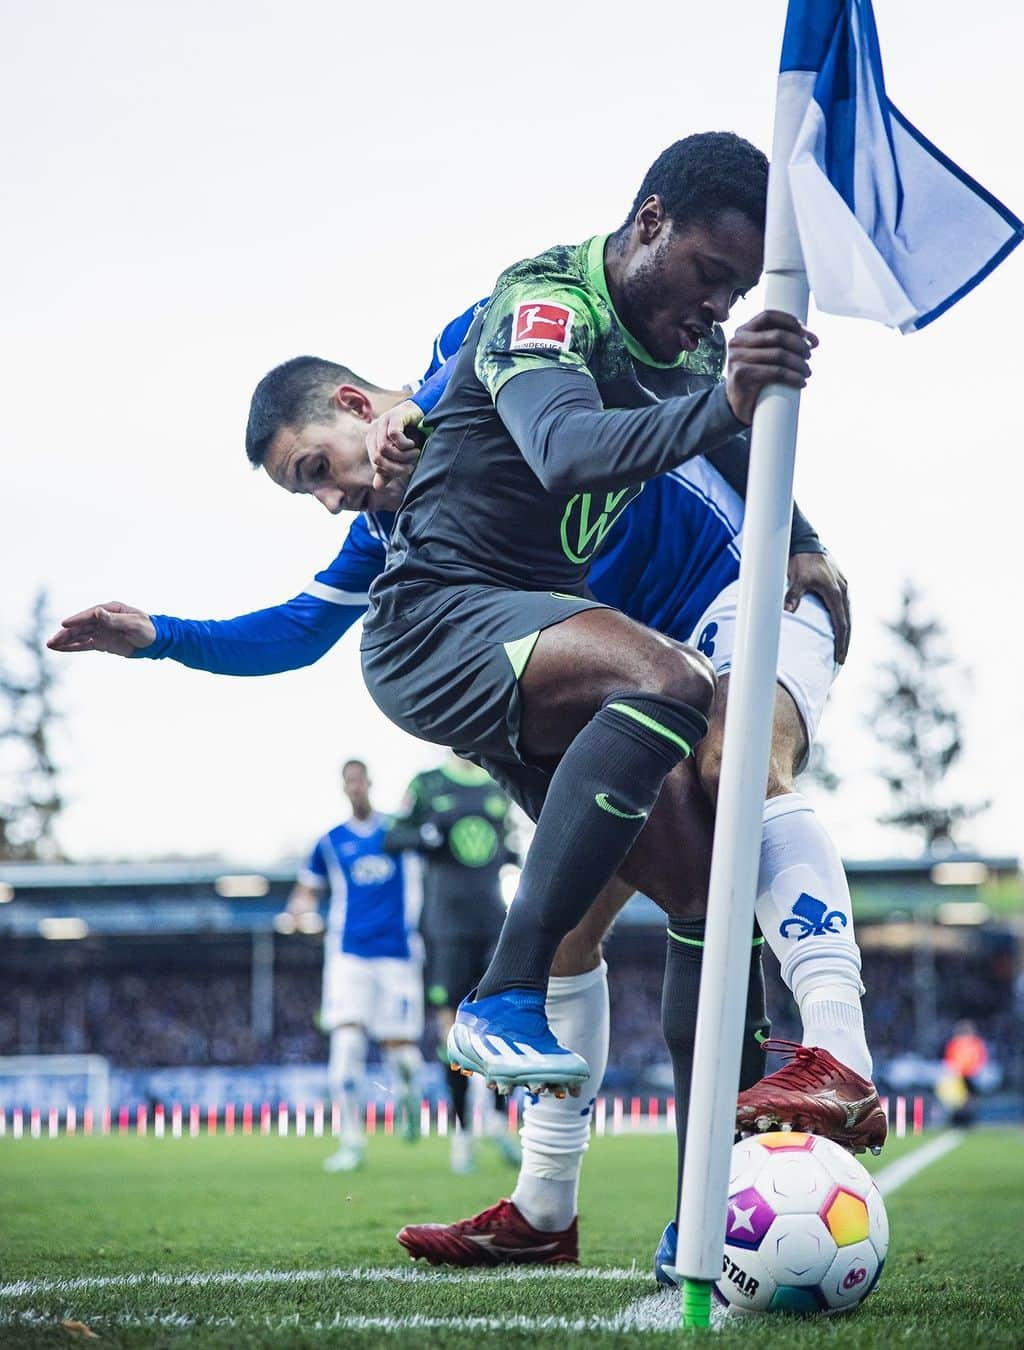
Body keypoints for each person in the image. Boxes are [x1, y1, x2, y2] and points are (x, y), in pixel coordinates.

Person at [48, 134, 881, 1264]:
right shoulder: (407, 534)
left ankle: (830, 1044)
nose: (337, 497)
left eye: (321, 467)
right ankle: (548, 1208)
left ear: (355, 403)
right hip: (609, 657)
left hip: (735, 596)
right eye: (316, 492)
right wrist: (165, 640)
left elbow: (519, 385)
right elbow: (299, 630)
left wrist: (806, 540)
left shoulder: (491, 341)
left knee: (733, 776)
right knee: (590, 908)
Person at [286, 759, 426, 1171]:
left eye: (360, 779)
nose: (355, 787)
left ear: (369, 783)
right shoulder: (330, 842)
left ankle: (408, 1095)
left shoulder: (397, 833)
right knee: (346, 1045)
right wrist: (297, 911)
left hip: (398, 954)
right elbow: (307, 890)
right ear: (343, 787)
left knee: (401, 1055)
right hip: (349, 954)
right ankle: (351, 1141)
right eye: (348, 781)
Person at [384, 752, 521, 1173]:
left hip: (493, 920)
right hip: (445, 925)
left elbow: (510, 845)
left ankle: (499, 1121)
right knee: (453, 1030)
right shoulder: (427, 783)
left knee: (500, 1021)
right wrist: (426, 835)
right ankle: (462, 1136)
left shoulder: (498, 783)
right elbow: (395, 838)